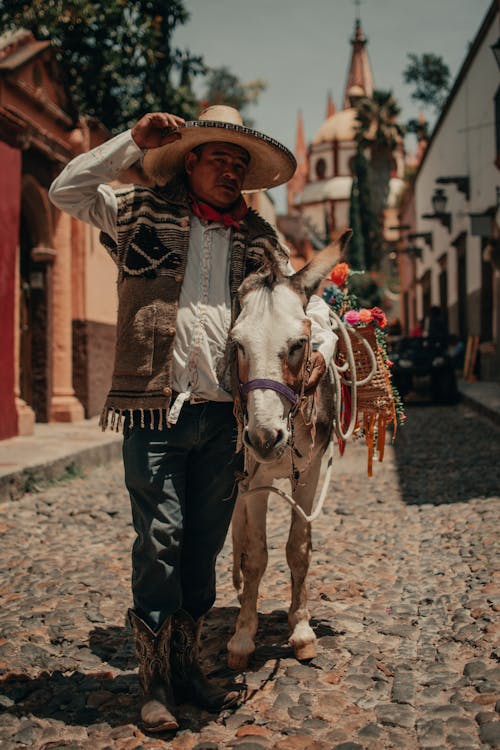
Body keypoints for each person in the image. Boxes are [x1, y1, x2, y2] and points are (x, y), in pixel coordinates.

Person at [49, 106, 336, 732]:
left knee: (204, 549)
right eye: (218, 158)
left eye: (240, 163)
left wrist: (305, 363)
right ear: (190, 161)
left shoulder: (263, 241)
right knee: (159, 544)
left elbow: (288, 317)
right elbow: (65, 189)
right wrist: (131, 142)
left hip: (222, 420)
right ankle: (152, 683)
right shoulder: (136, 213)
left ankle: (188, 671)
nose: (230, 170)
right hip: (155, 411)